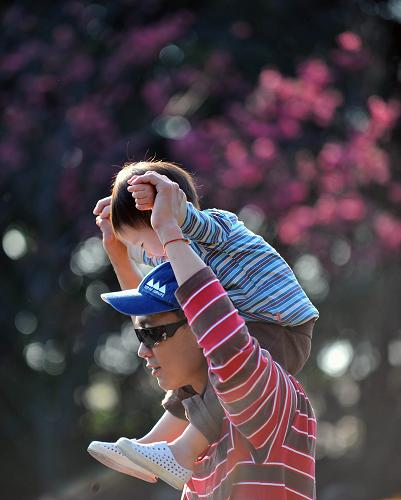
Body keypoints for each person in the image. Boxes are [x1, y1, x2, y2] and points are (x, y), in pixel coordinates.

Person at [88, 161, 318, 488]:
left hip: (279, 325)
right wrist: (117, 252)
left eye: (138, 244)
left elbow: (191, 228)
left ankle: (181, 452)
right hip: (251, 321)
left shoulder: (212, 228)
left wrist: (170, 215)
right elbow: (151, 307)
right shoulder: (175, 257)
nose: (143, 255)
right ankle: (153, 445)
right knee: (194, 378)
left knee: (222, 369)